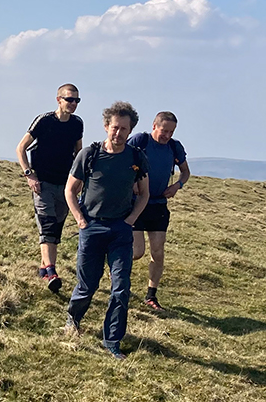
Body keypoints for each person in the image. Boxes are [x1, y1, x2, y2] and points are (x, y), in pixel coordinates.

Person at [64, 101, 150, 359]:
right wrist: (80, 220)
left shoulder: (136, 158)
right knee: (87, 285)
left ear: (130, 130)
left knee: (121, 287)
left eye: (124, 128)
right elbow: (70, 190)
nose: (118, 133)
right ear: (106, 127)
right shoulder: (89, 154)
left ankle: (112, 341)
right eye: (115, 127)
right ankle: (73, 319)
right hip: (92, 227)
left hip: (120, 230)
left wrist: (131, 220)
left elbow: (144, 193)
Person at [15, 85, 84, 292]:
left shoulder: (77, 123)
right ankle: (52, 272)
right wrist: (29, 174)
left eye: (77, 100)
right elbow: (20, 148)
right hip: (42, 183)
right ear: (58, 99)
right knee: (47, 226)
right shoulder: (44, 121)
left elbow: (79, 154)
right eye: (69, 99)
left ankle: (43, 268)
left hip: (65, 185)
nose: (73, 104)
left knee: (56, 229)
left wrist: (79, 180)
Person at [129, 111, 191, 312]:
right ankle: (117, 274)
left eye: (171, 132)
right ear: (154, 126)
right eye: (164, 131)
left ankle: (151, 295)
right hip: (136, 203)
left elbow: (186, 172)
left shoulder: (174, 147)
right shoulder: (140, 141)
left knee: (158, 252)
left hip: (158, 205)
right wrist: (132, 183)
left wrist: (177, 186)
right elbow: (122, 161)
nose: (167, 136)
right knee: (136, 252)